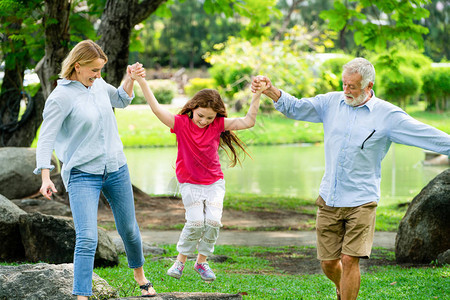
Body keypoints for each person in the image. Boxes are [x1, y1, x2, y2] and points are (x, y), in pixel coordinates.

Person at [251, 57, 450, 300]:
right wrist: (271, 90)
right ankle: (342, 285)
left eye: (353, 86)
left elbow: (426, 135)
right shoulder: (330, 102)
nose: (346, 90)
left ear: (369, 86)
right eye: (344, 84)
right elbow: (296, 107)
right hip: (329, 197)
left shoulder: (387, 116)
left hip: (362, 199)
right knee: (328, 263)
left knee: (349, 258)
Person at [34, 40, 156, 299]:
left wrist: (130, 78)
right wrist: (45, 175)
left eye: (101, 70)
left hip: (116, 168)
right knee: (87, 238)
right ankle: (82, 296)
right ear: (77, 66)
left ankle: (140, 277)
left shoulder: (99, 85)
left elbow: (121, 100)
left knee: (129, 230)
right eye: (94, 70)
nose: (98, 76)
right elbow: (46, 137)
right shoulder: (60, 97)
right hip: (81, 174)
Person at [131, 68, 267, 282]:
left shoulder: (217, 125)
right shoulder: (181, 123)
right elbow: (157, 110)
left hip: (214, 183)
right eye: (201, 115)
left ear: (216, 116)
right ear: (192, 108)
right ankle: (180, 261)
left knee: (213, 223)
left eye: (209, 117)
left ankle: (201, 262)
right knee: (195, 223)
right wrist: (141, 81)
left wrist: (257, 94)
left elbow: (248, 121)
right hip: (189, 183)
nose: (204, 121)